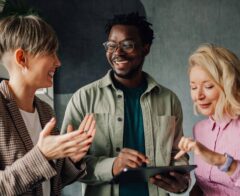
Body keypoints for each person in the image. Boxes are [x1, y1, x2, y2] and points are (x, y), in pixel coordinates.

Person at [61, 12, 189, 196]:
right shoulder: (83, 98)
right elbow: (65, 166)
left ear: (146, 48)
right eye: (111, 45)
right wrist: (112, 166)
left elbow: (178, 154)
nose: (117, 52)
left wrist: (182, 182)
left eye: (127, 45)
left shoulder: (169, 100)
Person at [0, 14, 96, 195]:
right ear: (22, 58)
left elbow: (51, 182)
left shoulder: (45, 111)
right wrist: (41, 155)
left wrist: (71, 160)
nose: (58, 62)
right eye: (50, 52)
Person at [175, 43, 240, 195]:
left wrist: (219, 160)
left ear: (229, 85)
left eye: (208, 86)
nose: (199, 96)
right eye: (193, 87)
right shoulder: (199, 129)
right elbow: (206, 183)